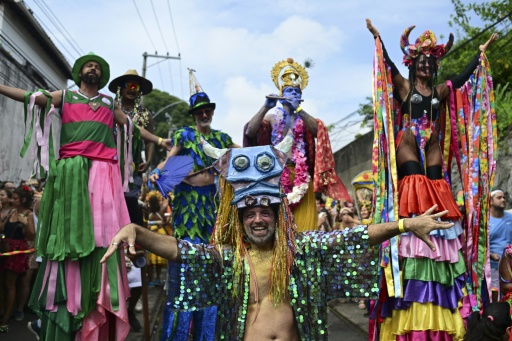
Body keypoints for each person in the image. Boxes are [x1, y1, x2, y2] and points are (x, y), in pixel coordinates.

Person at [102, 139, 454, 340]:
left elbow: (353, 237)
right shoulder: (227, 257)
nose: (258, 218)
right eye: (250, 212)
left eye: (265, 211)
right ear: (239, 219)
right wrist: (139, 233)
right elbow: (182, 250)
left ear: (277, 215)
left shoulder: (299, 251)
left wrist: (405, 224)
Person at [0, 52, 170, 339]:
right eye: (88, 65)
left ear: (101, 75)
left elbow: (131, 127)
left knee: (101, 239)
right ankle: (60, 311)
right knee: (68, 237)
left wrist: (159, 140)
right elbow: (32, 96)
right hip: (71, 173)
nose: (93, 68)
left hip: (103, 173)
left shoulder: (108, 102)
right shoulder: (65, 96)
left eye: (97, 66)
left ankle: (97, 303)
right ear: (80, 72)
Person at [367, 19, 498, 340]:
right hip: (409, 137)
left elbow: (462, 79)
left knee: (439, 186)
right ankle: (412, 226)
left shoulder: (440, 90)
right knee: (414, 183)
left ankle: (436, 235)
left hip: (433, 139)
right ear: (413, 64)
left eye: (431, 62)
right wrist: (378, 38)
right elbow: (387, 65)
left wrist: (480, 54)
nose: (427, 66)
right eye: (422, 61)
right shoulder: (404, 88)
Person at [150, 70, 238, 341]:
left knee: (212, 258)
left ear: (212, 112)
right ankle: (178, 332)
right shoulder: (185, 135)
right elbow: (171, 158)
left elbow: (242, 151)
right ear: (194, 114)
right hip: (188, 202)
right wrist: (157, 172)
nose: (204, 114)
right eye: (199, 110)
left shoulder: (222, 139)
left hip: (211, 202)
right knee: (187, 259)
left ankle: (207, 333)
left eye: (207, 109)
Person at [244, 58, 350, 232]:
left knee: (305, 229)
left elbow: (319, 131)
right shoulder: (271, 118)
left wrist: (299, 110)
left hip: (302, 179)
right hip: (276, 177)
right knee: (280, 228)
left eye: (296, 91)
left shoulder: (304, 119)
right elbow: (250, 132)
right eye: (289, 90)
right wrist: (265, 107)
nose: (293, 93)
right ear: (281, 95)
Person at [108, 69, 155, 332]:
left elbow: (149, 139)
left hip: (132, 173)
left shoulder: (145, 115)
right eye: (128, 85)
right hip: (109, 167)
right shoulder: (110, 108)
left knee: (135, 228)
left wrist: (147, 160)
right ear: (121, 88)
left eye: (136, 87)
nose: (131, 89)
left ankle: (131, 305)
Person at [0, 186, 35, 332]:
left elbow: (31, 236)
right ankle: (3, 312)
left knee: (10, 285)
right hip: (5, 248)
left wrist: (26, 224)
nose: (12, 200)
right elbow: (2, 229)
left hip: (16, 252)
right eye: (12, 198)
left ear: (23, 200)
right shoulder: (11, 211)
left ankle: (6, 319)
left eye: (15, 198)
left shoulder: (28, 214)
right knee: (2, 283)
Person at [490, 190, 512, 301]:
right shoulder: (485, 221)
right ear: (491, 201)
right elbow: (480, 245)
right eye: (499, 198)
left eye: (504, 197)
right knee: (495, 294)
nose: (503, 200)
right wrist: (490, 255)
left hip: (509, 265)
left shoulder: (510, 218)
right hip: (493, 266)